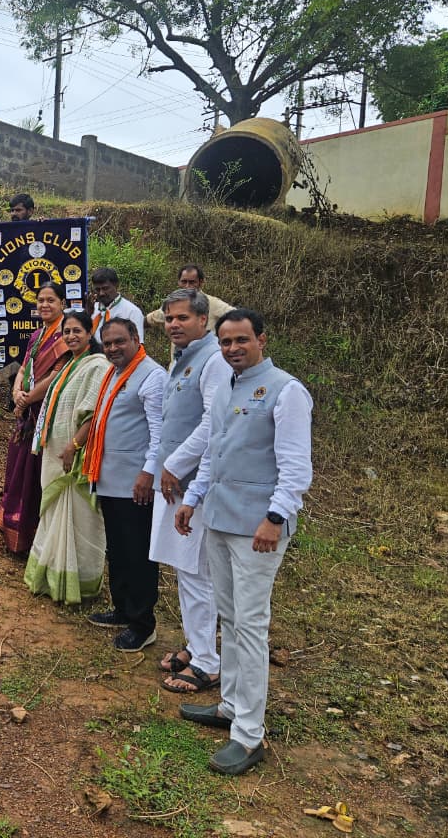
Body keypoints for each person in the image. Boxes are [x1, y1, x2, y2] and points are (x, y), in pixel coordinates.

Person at [175, 308, 313, 776]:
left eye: (241, 340)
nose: (233, 348)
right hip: (219, 518)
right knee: (229, 617)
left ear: (261, 340)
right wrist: (193, 498)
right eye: (226, 341)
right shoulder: (226, 390)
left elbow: (295, 466)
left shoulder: (286, 391)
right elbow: (212, 453)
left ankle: (250, 734)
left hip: (258, 529)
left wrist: (275, 517)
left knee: (250, 626)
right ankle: (231, 706)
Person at [150, 289, 230, 692]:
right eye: (169, 319)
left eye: (182, 318)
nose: (174, 325)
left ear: (203, 320)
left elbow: (213, 422)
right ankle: (196, 645)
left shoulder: (213, 360)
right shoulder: (183, 358)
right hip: (176, 481)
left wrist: (175, 464)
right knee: (185, 568)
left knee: (197, 571)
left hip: (194, 481)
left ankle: (207, 663)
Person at [83, 317, 169, 652]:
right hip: (110, 478)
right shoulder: (114, 373)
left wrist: (148, 473)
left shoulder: (152, 376)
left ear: (136, 338)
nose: (113, 348)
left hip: (135, 483)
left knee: (138, 553)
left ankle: (142, 623)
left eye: (120, 341)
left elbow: (159, 433)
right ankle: (122, 608)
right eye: (107, 343)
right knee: (117, 549)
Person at [23, 310, 110, 604]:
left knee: (80, 518)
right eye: (66, 332)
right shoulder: (70, 364)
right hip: (55, 453)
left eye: (76, 331)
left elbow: (93, 414)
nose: (71, 336)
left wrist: (74, 446)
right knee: (54, 515)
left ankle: (79, 583)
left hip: (76, 458)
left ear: (89, 333)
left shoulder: (96, 365)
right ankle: (49, 576)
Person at [0, 281, 69, 555]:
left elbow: (56, 375)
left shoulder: (66, 336)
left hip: (46, 414)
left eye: (51, 300)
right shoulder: (37, 335)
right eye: (41, 300)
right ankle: (13, 523)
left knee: (37, 471)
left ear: (62, 303)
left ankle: (35, 534)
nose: (45, 305)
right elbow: (25, 366)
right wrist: (16, 392)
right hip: (26, 414)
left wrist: (27, 398)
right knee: (18, 465)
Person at [146, 264, 233, 343]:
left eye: (192, 282)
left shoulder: (213, 304)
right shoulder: (173, 304)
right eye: (184, 282)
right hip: (179, 354)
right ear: (178, 282)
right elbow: (153, 318)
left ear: (201, 282)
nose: (187, 286)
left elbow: (237, 317)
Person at [90, 267, 144, 344]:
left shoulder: (132, 312)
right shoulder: (92, 310)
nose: (101, 293)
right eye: (97, 289)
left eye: (105, 288)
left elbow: (138, 345)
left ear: (116, 286)